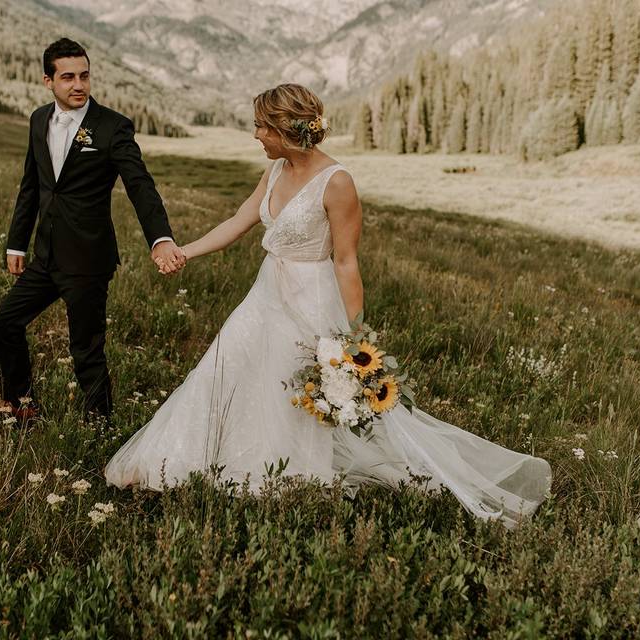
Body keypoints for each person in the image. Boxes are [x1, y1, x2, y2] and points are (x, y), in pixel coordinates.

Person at [105, 84, 551, 528]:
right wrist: (184, 251)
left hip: (310, 299)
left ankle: (283, 476)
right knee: (228, 367)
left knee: (292, 388)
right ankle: (189, 459)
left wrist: (356, 339)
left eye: (261, 126)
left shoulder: (337, 183)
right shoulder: (276, 170)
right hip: (266, 294)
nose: (256, 135)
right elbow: (239, 221)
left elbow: (346, 261)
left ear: (284, 129)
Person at [0, 38, 187, 421]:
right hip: (46, 254)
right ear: (48, 81)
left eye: (84, 76)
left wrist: (160, 238)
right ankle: (22, 406)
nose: (78, 85)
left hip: (88, 258)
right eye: (68, 77)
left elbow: (140, 185)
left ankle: (98, 427)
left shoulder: (112, 127)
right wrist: (16, 244)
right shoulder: (39, 119)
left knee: (86, 350)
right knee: (4, 323)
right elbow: (32, 186)